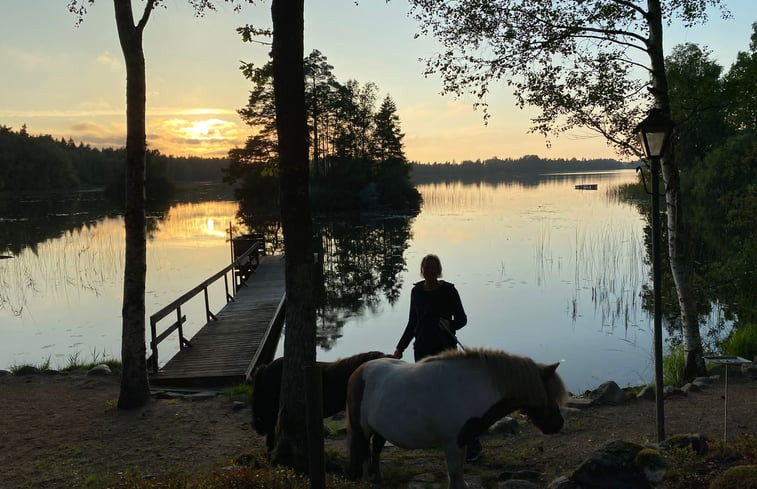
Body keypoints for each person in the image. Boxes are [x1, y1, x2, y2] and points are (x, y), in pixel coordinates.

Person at [392, 253, 484, 462]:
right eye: (427, 268)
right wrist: (400, 348)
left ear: (438, 270)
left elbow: (462, 319)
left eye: (433, 268)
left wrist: (449, 324)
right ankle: (438, 436)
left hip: (446, 351)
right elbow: (412, 323)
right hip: (422, 350)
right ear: (422, 270)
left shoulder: (449, 291)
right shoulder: (416, 292)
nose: (430, 271)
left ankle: (473, 444)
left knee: (455, 397)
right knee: (427, 395)